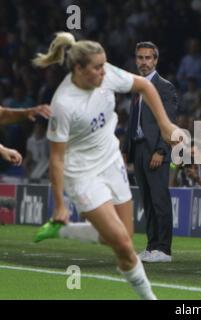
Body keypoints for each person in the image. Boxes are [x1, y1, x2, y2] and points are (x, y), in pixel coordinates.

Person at [31, 32, 183, 300]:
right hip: (82, 174)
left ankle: (65, 231)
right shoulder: (64, 104)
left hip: (111, 161)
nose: (104, 72)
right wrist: (60, 205)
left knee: (118, 236)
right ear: (78, 69)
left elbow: (146, 87)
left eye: (104, 65)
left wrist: (165, 124)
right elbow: (56, 158)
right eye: (97, 67)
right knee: (124, 246)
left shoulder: (107, 74)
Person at [122, 41, 178, 263]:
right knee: (147, 201)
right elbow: (133, 121)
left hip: (155, 151)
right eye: (140, 58)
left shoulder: (164, 87)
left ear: (155, 60)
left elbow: (170, 122)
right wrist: (127, 149)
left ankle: (164, 249)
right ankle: (152, 245)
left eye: (148, 58)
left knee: (159, 200)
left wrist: (162, 151)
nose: (143, 62)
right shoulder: (137, 86)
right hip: (139, 150)